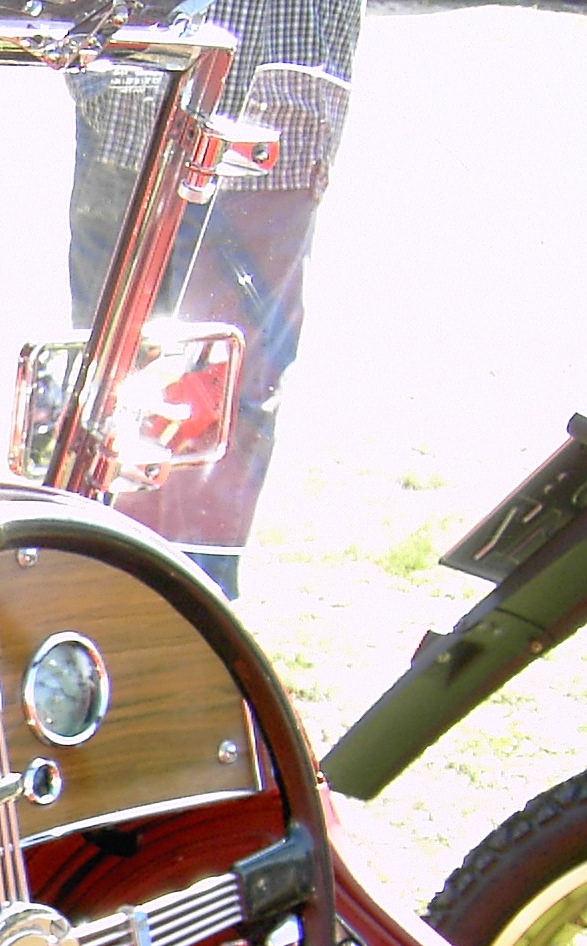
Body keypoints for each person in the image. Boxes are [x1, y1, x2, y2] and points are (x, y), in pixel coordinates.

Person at [65, 0, 360, 598]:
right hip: (131, 93)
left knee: (227, 388)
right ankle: (88, 577)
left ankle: (194, 601)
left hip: (269, 106)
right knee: (100, 377)